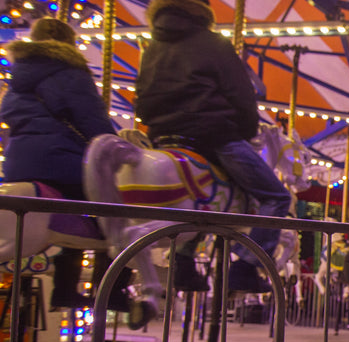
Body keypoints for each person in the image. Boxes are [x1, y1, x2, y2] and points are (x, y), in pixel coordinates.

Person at [134, 0, 292, 292]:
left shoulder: (151, 48)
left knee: (203, 198)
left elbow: (141, 99)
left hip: (163, 137)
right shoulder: (213, 43)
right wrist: (244, 132)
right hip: (212, 134)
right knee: (276, 197)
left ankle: (183, 262)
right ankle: (246, 266)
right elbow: (242, 96)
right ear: (201, 11)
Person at [1, 17, 128, 311]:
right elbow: (92, 120)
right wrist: (116, 146)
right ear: (69, 44)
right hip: (60, 161)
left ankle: (64, 289)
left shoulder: (17, 79)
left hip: (18, 164)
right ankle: (113, 289)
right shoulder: (71, 73)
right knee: (117, 211)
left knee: (67, 213)